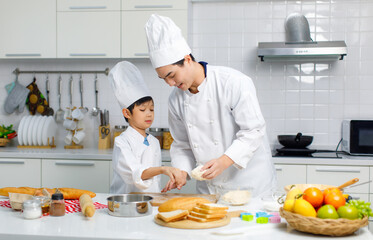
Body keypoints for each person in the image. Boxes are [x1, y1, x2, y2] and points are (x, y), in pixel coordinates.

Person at [145, 14, 277, 196]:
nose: (169, 83)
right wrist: (182, 172)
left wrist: (224, 160)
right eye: (163, 79)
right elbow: (183, 144)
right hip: (210, 189)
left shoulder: (232, 82)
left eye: (172, 75)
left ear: (187, 59)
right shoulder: (175, 100)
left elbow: (253, 131)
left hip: (250, 185)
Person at [109, 61, 183, 194]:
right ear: (127, 113)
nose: (149, 114)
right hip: (126, 203)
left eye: (152, 109)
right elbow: (136, 173)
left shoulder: (154, 141)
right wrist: (163, 169)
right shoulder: (122, 142)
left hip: (151, 202)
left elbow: (153, 181)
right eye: (142, 110)